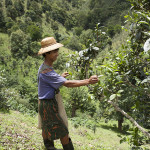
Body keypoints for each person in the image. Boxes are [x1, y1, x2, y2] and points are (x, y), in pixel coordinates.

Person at [37, 37, 98, 150]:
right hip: (48, 106)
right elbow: (68, 84)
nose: (57, 53)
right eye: (54, 51)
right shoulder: (47, 71)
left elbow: (52, 82)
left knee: (47, 130)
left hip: (45, 104)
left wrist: (59, 77)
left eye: (57, 50)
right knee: (63, 133)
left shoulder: (45, 68)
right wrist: (88, 81)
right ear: (47, 53)